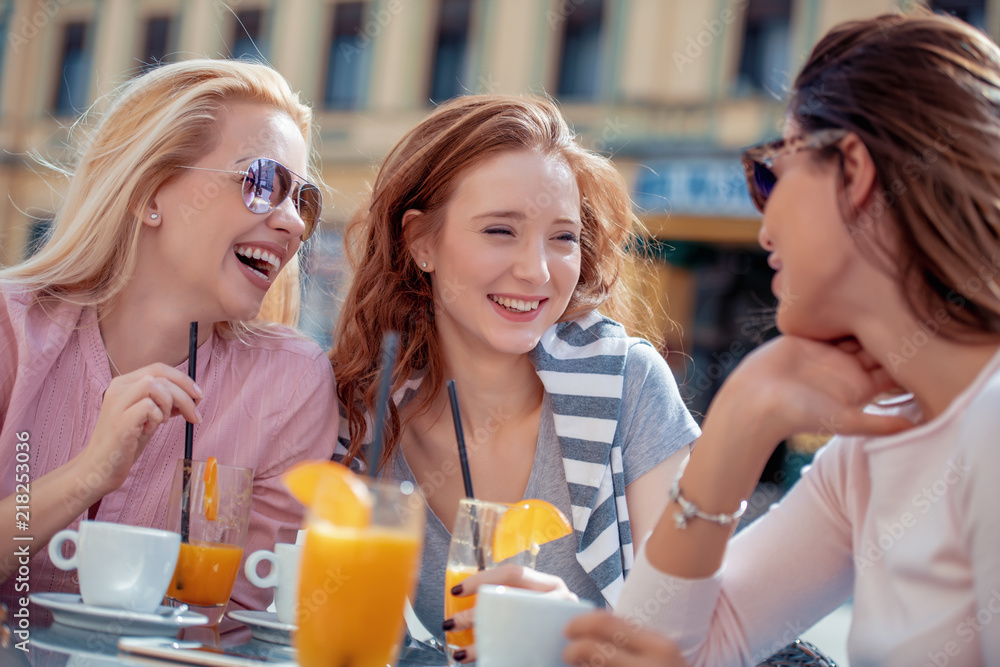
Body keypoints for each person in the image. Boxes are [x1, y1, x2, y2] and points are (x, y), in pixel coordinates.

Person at [563, 10, 1000, 667]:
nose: (763, 228)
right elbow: (667, 645)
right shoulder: (871, 453)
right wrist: (741, 416)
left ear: (852, 169)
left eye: (771, 171)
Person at [329, 94, 700, 658]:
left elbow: (686, 637)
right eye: (501, 231)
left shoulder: (628, 385)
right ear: (420, 241)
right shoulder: (364, 416)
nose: (537, 271)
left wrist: (558, 632)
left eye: (563, 237)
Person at [0, 59, 339, 613]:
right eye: (261, 183)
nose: (295, 224)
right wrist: (88, 475)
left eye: (301, 200)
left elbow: (235, 630)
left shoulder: (290, 384)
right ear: (149, 192)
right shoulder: (9, 328)